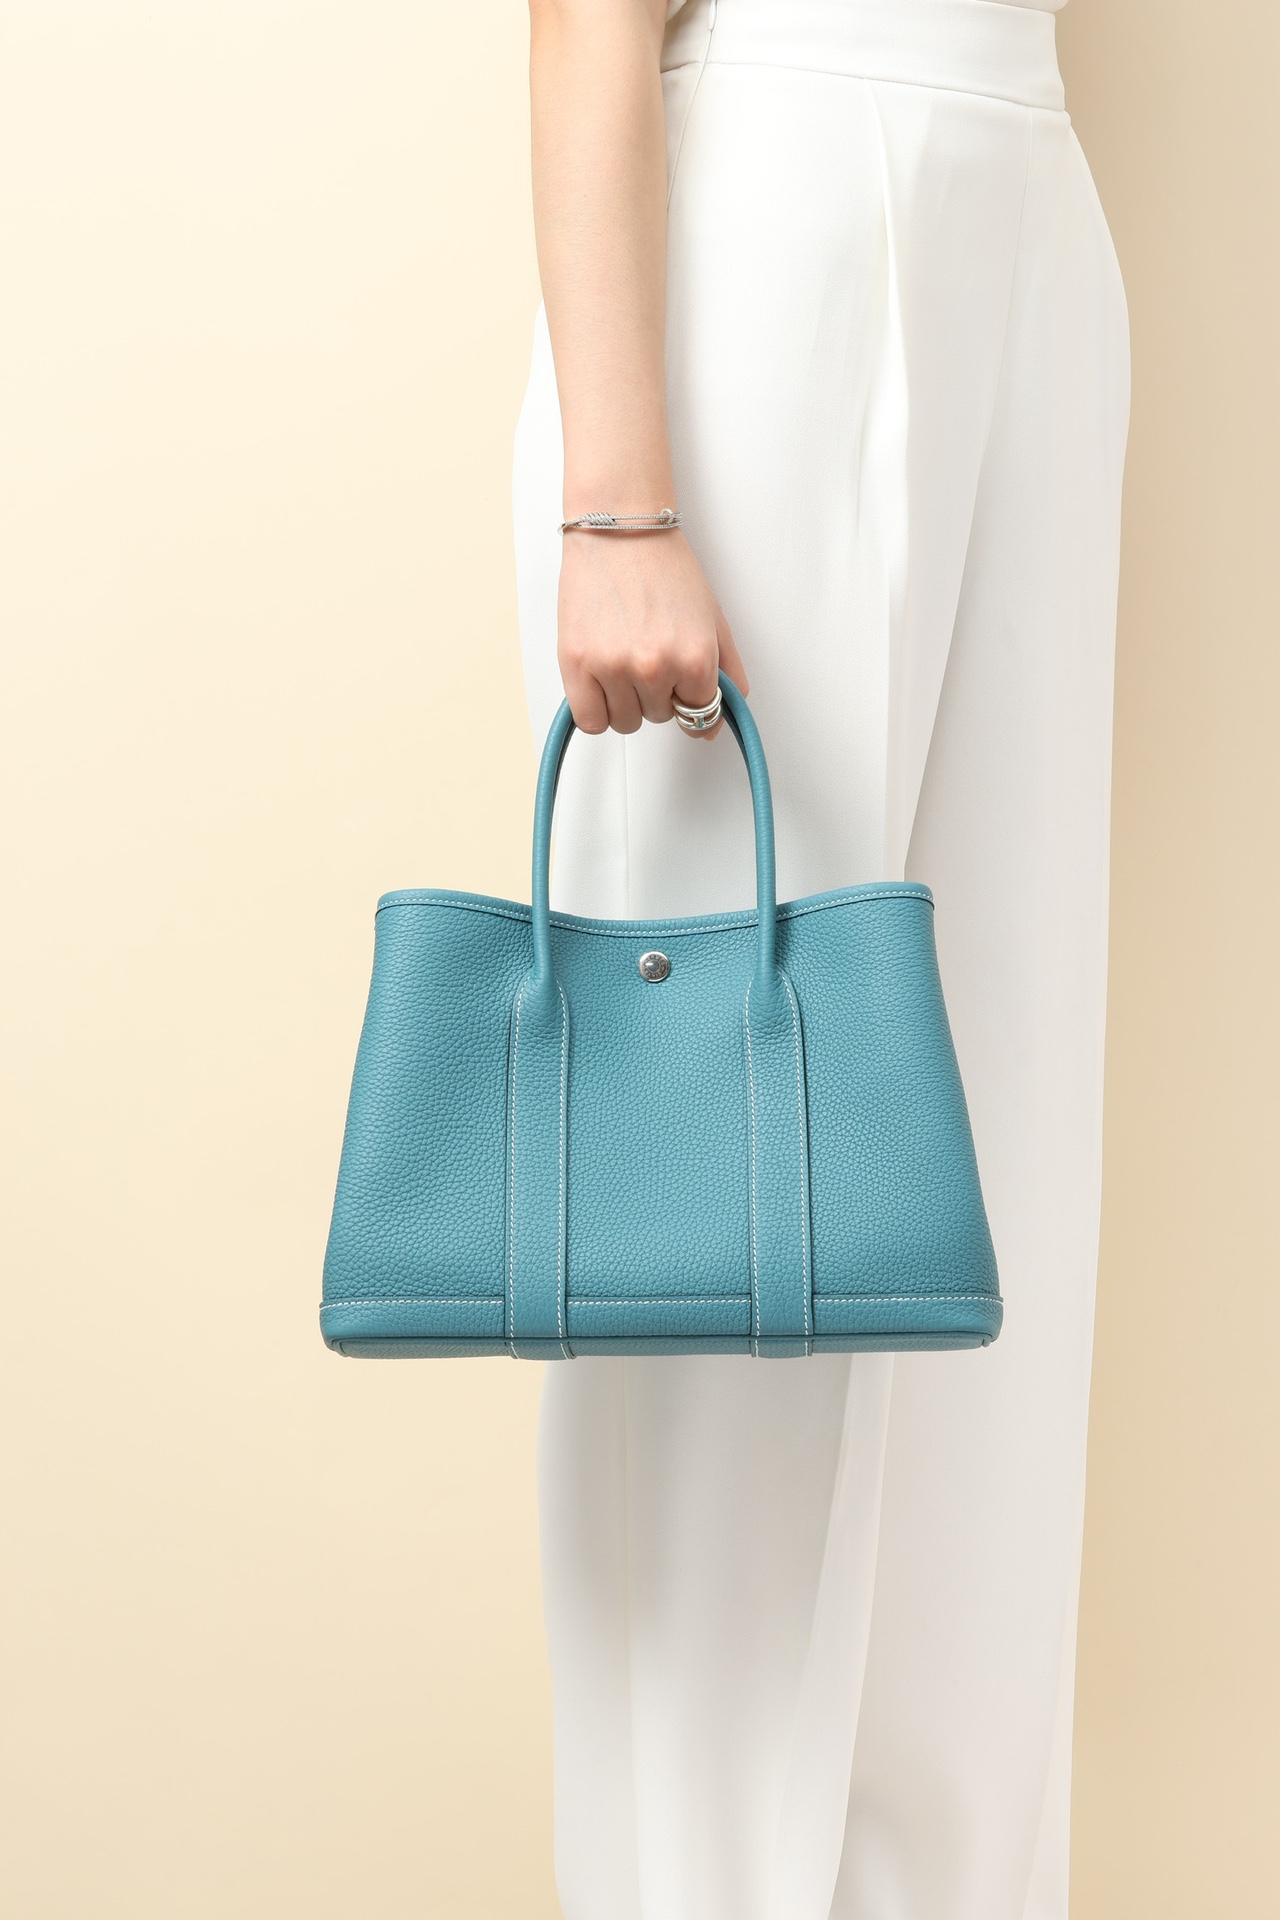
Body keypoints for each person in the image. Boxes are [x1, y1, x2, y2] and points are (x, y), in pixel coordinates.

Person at [512, 2, 1129, 1915]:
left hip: (1027, 193)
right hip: (773, 211)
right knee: (722, 1220)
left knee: (983, 1194)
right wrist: (620, 498)